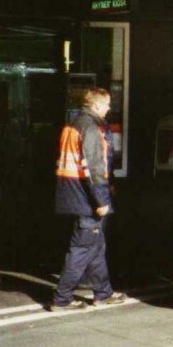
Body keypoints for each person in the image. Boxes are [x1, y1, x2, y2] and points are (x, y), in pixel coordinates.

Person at [50, 87, 125, 311]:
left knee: (95, 245)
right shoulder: (92, 128)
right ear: (96, 105)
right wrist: (102, 201)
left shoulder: (73, 124)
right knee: (82, 248)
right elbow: (94, 168)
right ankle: (61, 298)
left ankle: (103, 292)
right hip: (86, 199)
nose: (110, 108)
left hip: (72, 194)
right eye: (107, 104)